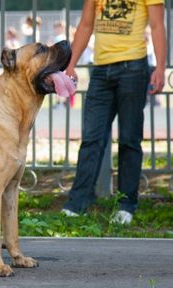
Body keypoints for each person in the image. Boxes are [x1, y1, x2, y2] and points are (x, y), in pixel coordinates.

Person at [61, 0, 166, 225]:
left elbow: (157, 25)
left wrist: (160, 67)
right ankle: (77, 204)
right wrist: (70, 65)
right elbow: (86, 25)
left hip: (134, 68)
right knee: (91, 139)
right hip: (100, 70)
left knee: (129, 139)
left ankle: (126, 205)